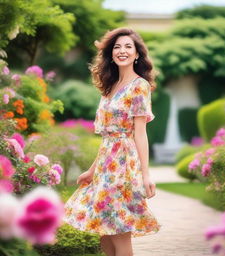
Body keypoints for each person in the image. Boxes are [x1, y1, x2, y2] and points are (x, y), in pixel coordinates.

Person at [63, 27, 161, 256]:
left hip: (123, 167)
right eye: (117, 47)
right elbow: (108, 138)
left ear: (137, 54)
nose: (122, 51)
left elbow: (139, 133)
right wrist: (91, 170)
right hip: (106, 166)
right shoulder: (109, 87)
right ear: (111, 53)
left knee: (119, 230)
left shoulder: (139, 86)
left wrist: (145, 175)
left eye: (128, 46)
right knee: (105, 232)